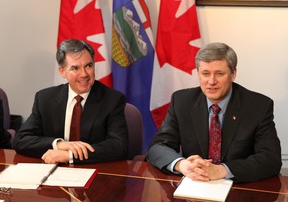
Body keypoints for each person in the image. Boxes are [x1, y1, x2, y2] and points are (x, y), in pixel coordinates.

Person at [147, 42, 282, 183]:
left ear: (233, 74)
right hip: (195, 186)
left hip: (240, 188)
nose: (211, 81)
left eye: (219, 74)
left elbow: (271, 159)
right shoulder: (182, 101)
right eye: (205, 74)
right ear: (198, 73)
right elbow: (158, 147)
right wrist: (182, 165)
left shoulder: (258, 106)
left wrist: (222, 170)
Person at [13, 39, 128, 164]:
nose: (84, 74)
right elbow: (21, 140)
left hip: (96, 172)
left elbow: (118, 146)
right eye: (75, 68)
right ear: (62, 72)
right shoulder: (45, 99)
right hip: (52, 171)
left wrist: (70, 155)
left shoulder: (112, 100)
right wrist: (59, 144)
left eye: (88, 66)